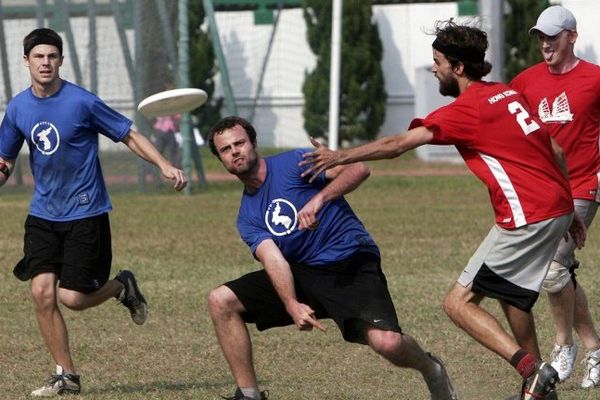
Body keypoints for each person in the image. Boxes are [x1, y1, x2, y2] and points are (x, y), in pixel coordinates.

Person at [299, 20, 586, 399]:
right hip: (552, 207)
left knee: (458, 304)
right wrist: (572, 214)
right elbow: (558, 151)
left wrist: (341, 155)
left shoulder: (466, 110)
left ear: (459, 67)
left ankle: (534, 370)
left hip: (528, 215)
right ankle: (537, 388)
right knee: (510, 294)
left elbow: (399, 143)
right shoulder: (505, 93)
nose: (434, 68)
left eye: (438, 61)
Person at [206, 116, 458, 400]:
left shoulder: (294, 163)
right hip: (302, 272)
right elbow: (274, 259)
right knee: (221, 300)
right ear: (221, 159)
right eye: (226, 149)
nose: (235, 151)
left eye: (239, 143)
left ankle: (431, 368)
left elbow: (358, 169)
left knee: (387, 343)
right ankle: (249, 395)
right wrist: (291, 303)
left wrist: (319, 199)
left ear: (253, 143)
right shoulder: (247, 216)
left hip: (349, 260)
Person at [0, 28, 187, 397]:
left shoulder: (82, 102)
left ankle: (121, 286)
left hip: (86, 212)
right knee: (41, 293)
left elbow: (129, 134)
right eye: (38, 56)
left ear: (61, 60)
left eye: (52, 56)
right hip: (43, 214)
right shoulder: (18, 107)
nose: (46, 62)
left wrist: (163, 164)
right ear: (26, 61)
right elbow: (4, 159)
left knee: (72, 298)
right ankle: (65, 375)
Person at [509, 5, 600, 389]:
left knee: (553, 266)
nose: (545, 44)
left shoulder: (595, 79)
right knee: (559, 270)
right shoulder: (525, 82)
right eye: (541, 38)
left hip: (582, 185)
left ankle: (564, 345)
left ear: (572, 37)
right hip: (542, 189)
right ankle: (595, 348)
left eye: (553, 36)